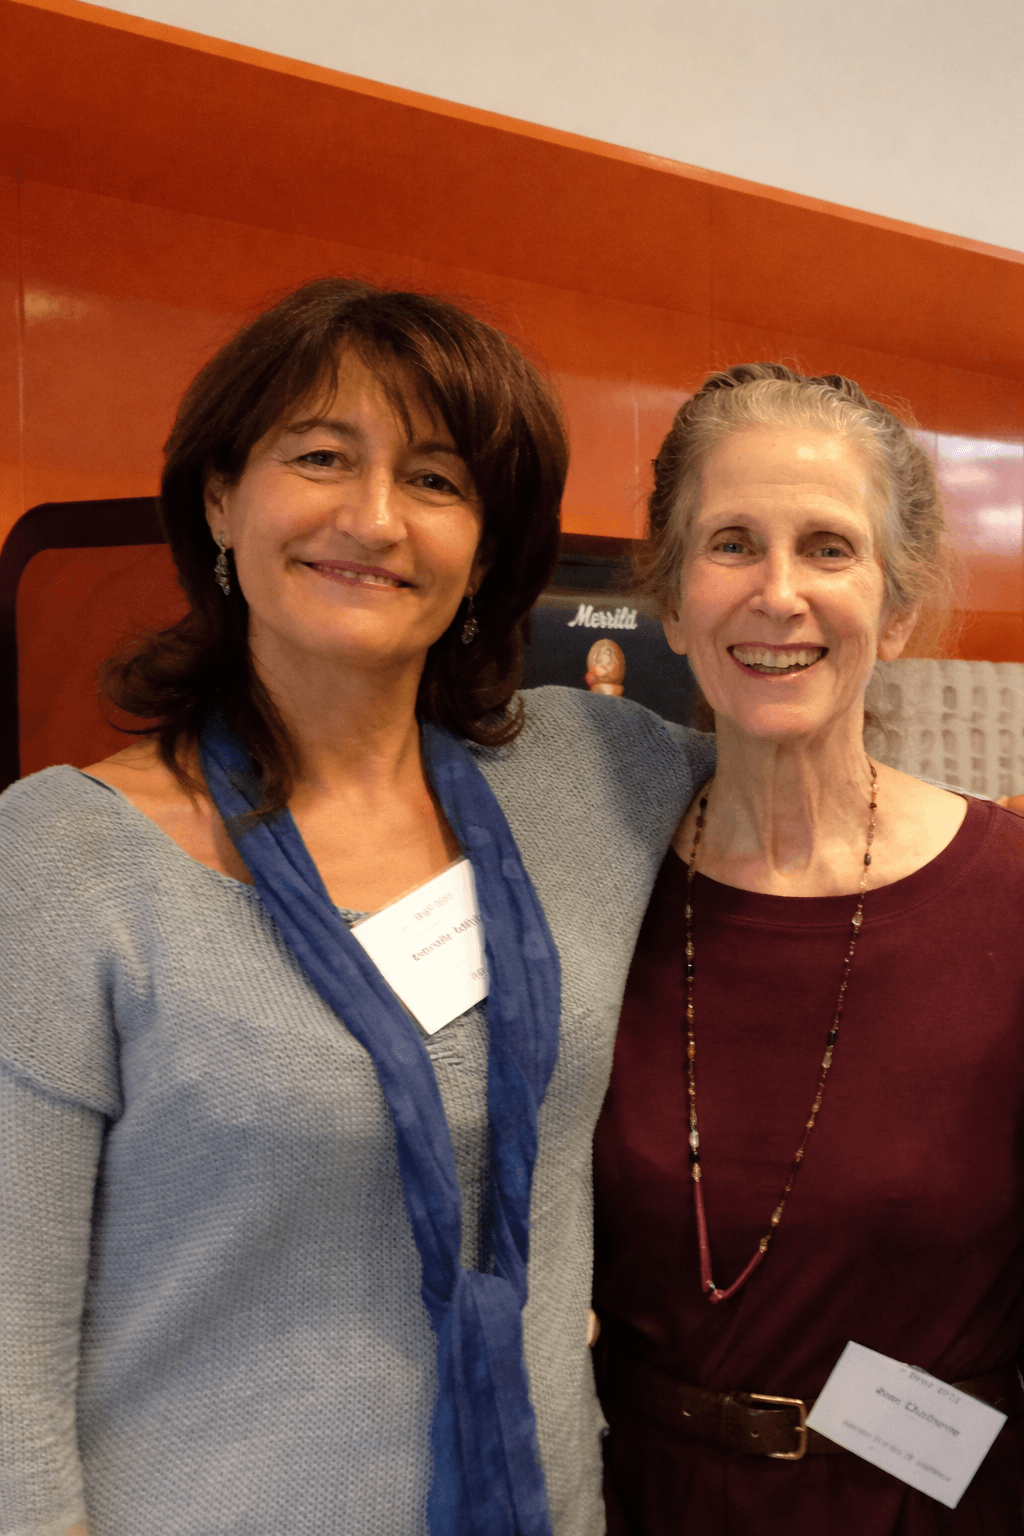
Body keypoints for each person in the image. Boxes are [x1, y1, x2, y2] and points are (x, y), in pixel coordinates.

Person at [0, 279, 714, 1536]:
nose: (374, 519)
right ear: (220, 499)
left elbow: (816, 804)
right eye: (321, 457)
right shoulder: (67, 859)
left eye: (435, 480)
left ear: (485, 550)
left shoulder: (590, 778)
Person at [592, 363, 1024, 1535]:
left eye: (827, 548)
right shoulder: (594, 890)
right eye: (731, 544)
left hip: (926, 1508)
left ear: (895, 608)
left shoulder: (1005, 899)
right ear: (671, 601)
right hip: (640, 1501)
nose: (777, 593)